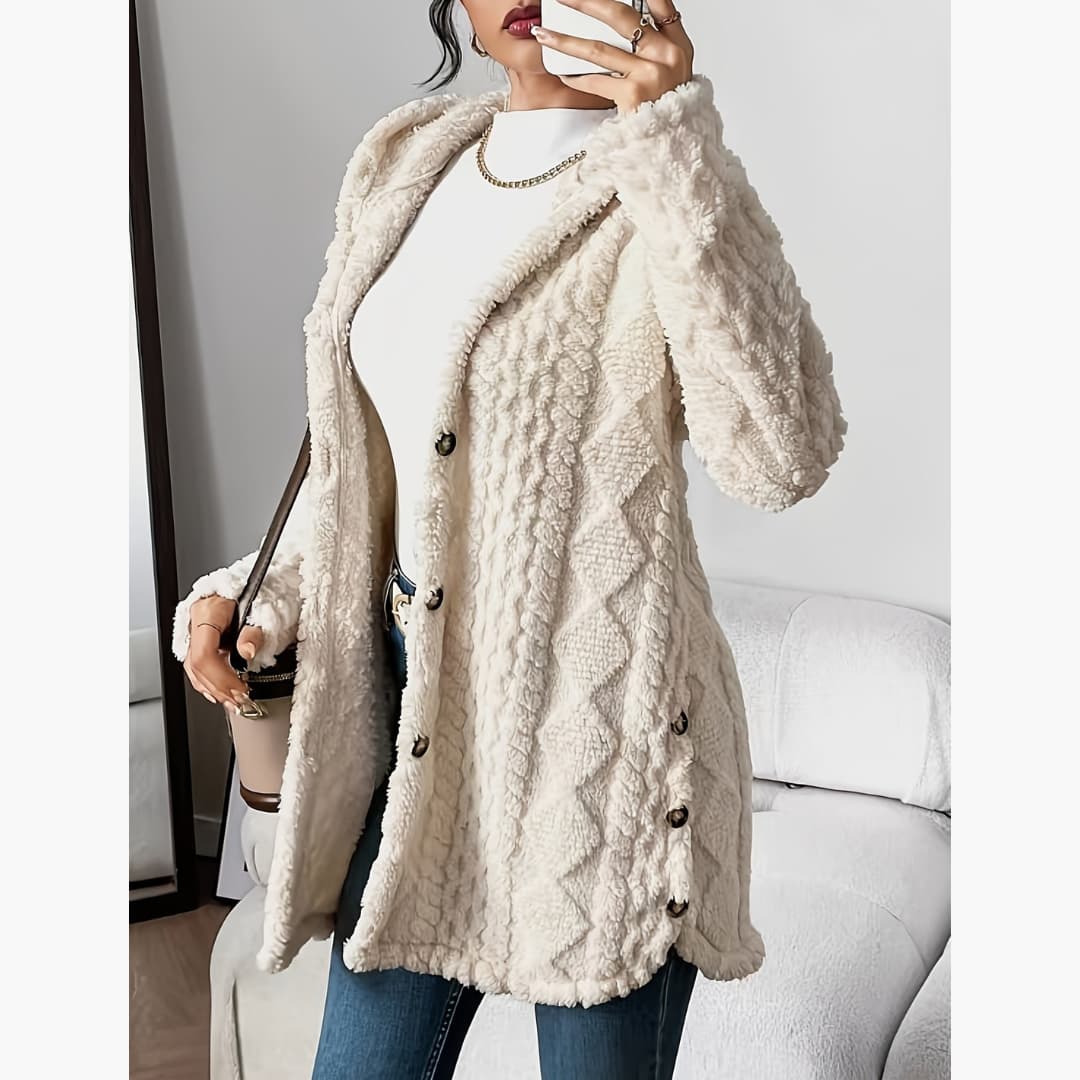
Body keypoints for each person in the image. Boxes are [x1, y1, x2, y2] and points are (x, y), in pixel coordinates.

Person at [173, 1, 847, 1076]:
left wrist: (672, 137)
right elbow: (363, 462)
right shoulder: (408, 164)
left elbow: (783, 455)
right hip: (412, 730)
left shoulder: (664, 176)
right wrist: (262, 595)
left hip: (602, 745)